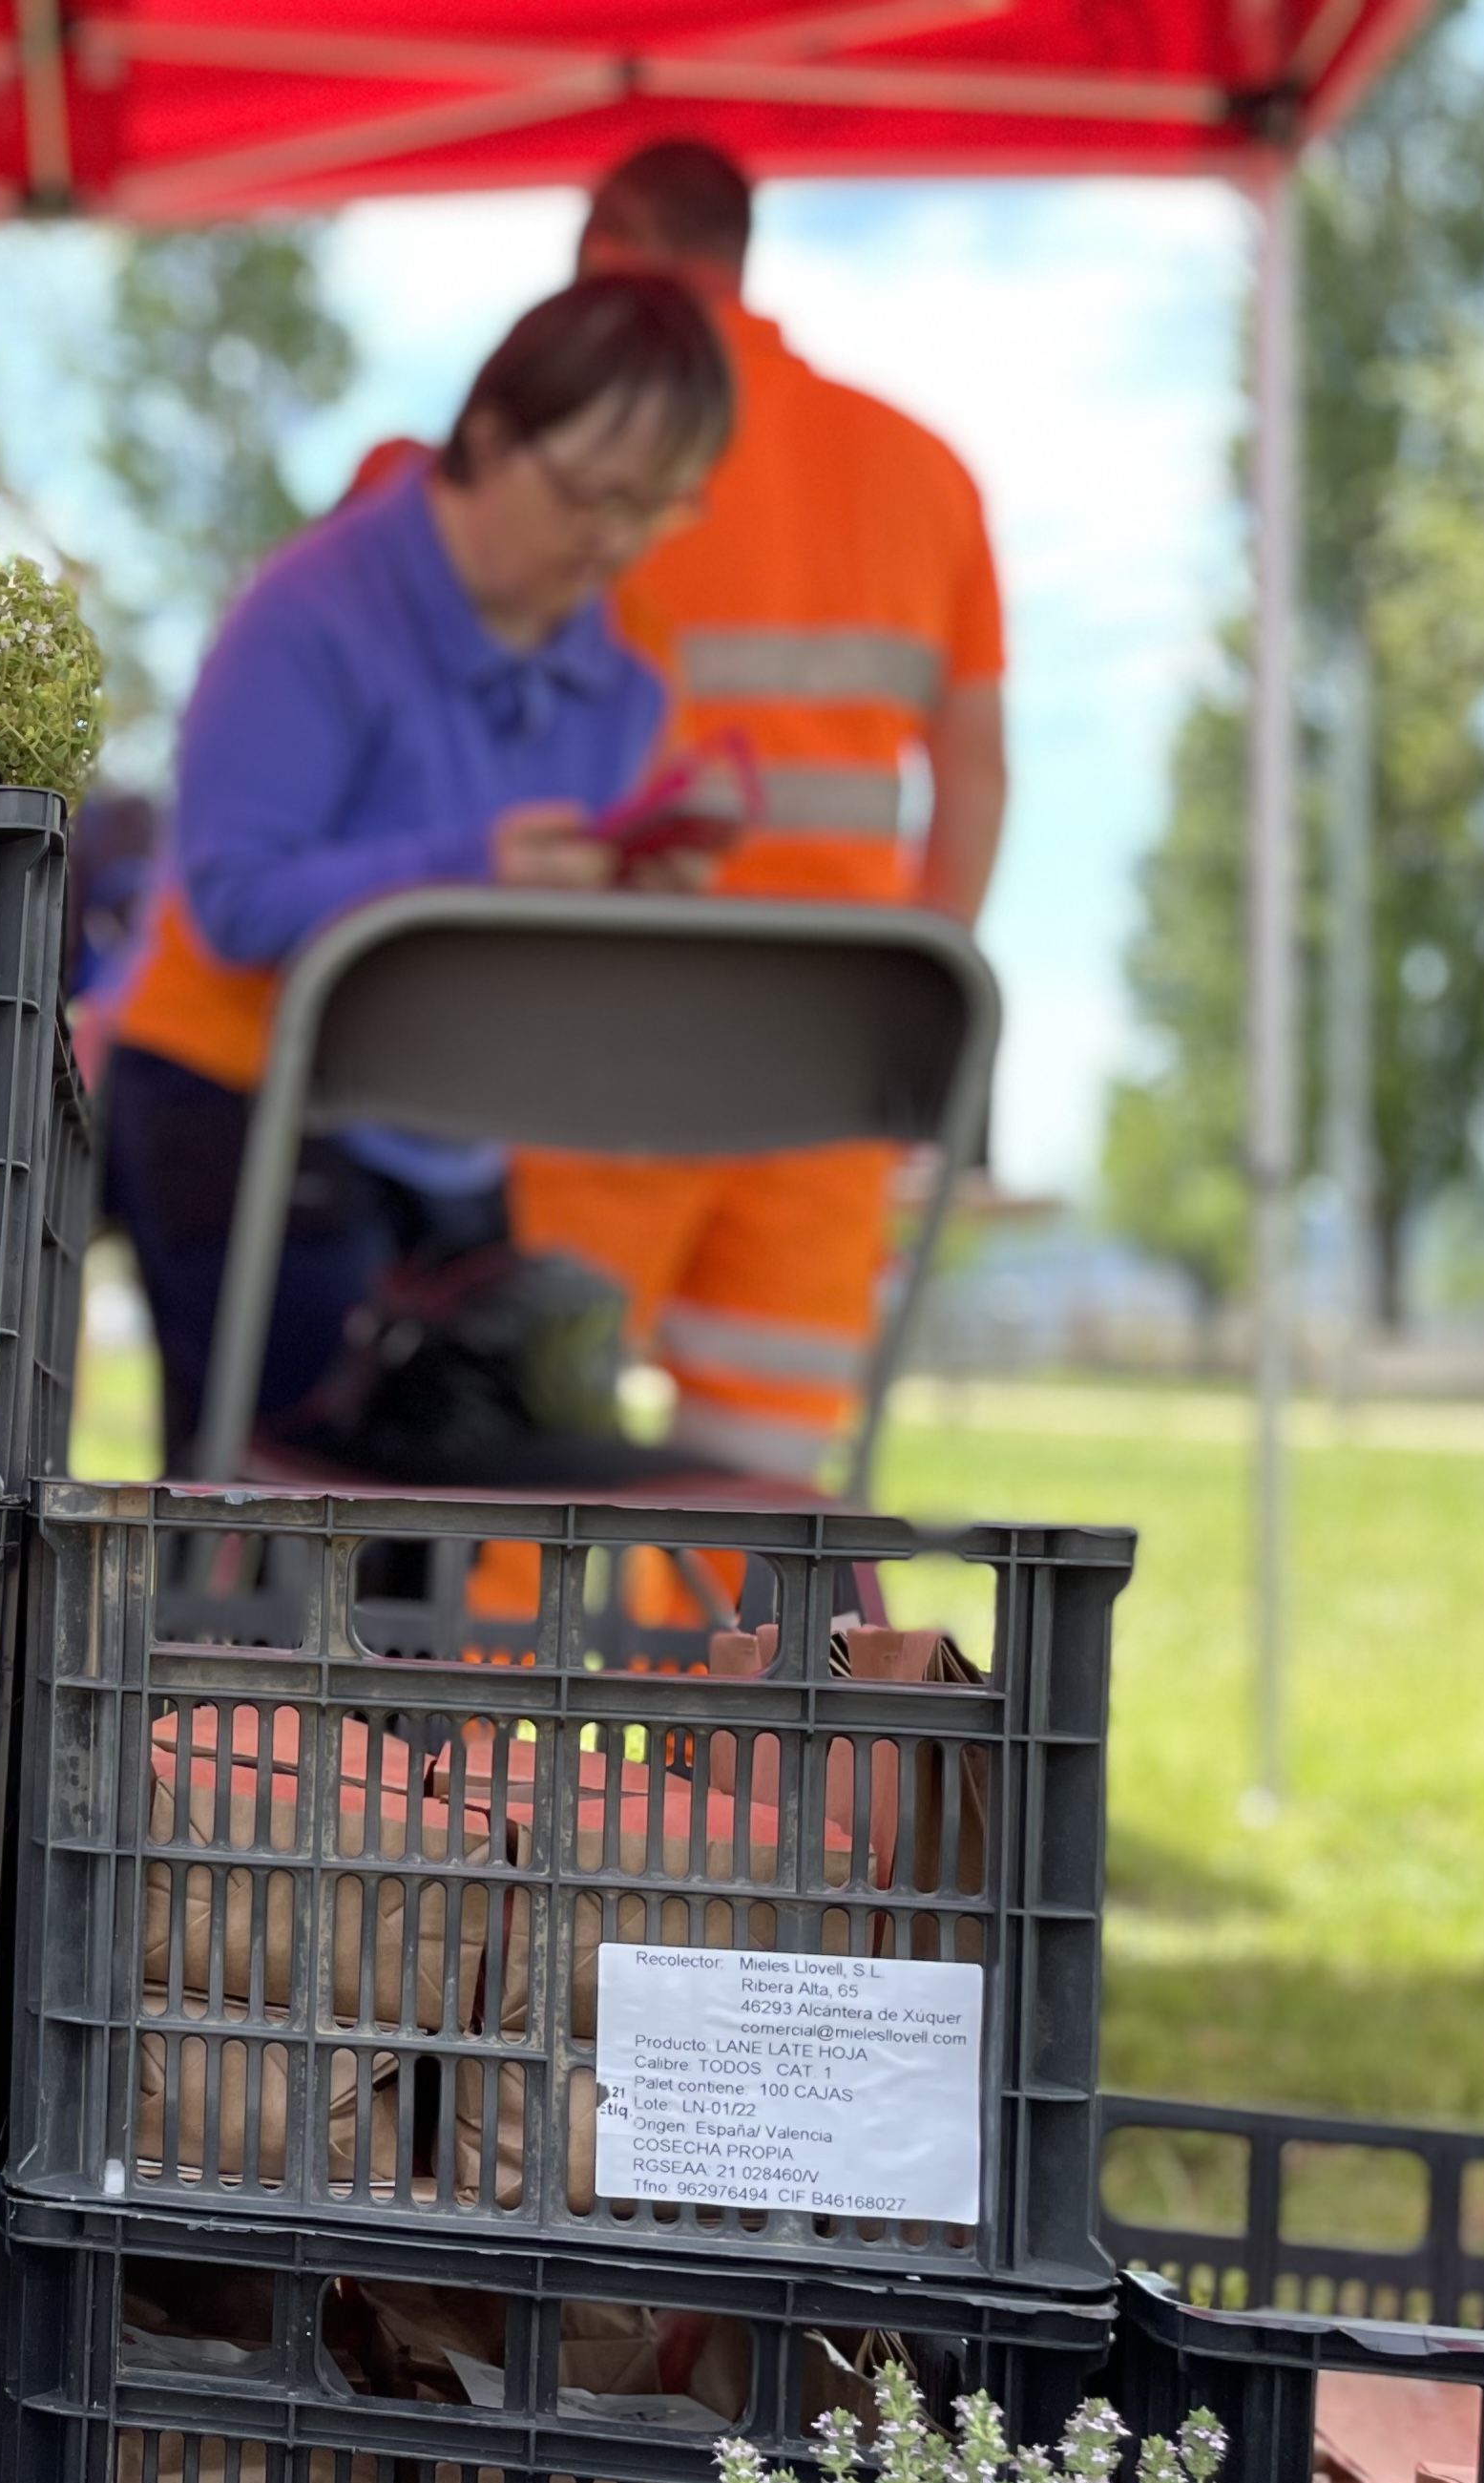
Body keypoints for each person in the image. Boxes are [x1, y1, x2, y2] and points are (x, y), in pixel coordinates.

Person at [100, 273, 734, 1470]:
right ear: (487, 438)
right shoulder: (308, 609)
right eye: (592, 495)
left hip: (455, 1130)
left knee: (436, 1518)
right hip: (239, 1107)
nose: (614, 542)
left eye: (657, 509)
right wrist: (472, 873)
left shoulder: (637, 655)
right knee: (294, 1509)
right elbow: (234, 901)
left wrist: (631, 900)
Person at [508, 138, 1011, 1485]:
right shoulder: (924, 472)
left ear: (611, 250)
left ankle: (478, 1710)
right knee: (768, 1501)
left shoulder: (579, 457)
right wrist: (911, 1000)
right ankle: (730, 1701)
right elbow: (976, 779)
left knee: (518, 1471)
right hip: (831, 1050)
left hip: (599, 1025)